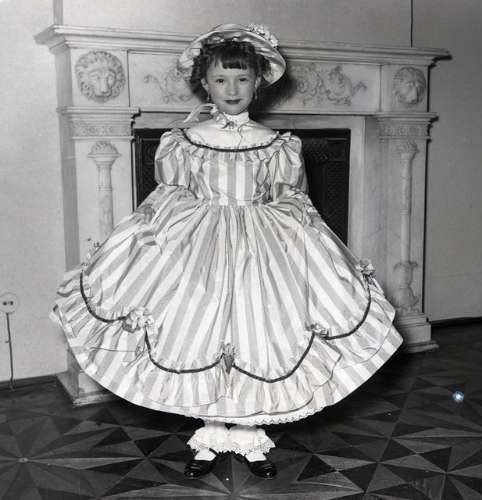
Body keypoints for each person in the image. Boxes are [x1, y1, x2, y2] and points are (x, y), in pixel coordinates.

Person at [51, 23, 403, 480]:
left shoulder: (278, 145)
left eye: (242, 79)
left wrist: (311, 251)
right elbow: (168, 198)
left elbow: (292, 200)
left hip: (262, 252)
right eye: (220, 79)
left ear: (258, 83)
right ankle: (212, 432)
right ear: (205, 83)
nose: (231, 89)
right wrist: (145, 244)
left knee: (259, 335)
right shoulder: (184, 142)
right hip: (201, 252)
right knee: (201, 334)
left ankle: (250, 436)